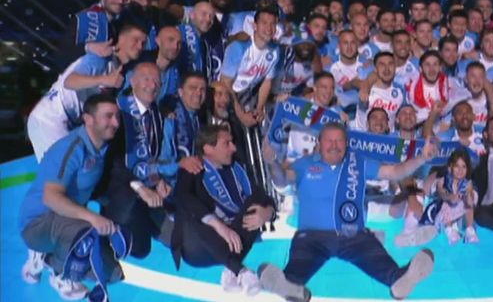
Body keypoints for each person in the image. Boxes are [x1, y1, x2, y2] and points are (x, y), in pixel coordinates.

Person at [257, 122, 437, 301]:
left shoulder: (358, 163)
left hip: (353, 235)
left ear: (347, 143)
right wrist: (272, 162)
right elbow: (282, 180)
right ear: (319, 142)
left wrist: (422, 158)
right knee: (295, 272)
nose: (334, 145)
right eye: (329, 140)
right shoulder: (305, 164)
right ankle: (291, 287)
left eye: (339, 141)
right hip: (311, 237)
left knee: (387, 269)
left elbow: (395, 172)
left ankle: (400, 282)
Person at [20, 94, 127, 301]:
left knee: (112, 274)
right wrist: (93, 218)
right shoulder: (72, 148)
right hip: (38, 221)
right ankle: (59, 273)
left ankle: (45, 256)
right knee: (84, 234)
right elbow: (51, 197)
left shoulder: (102, 148)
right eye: (108, 116)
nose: (115, 123)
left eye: (117, 117)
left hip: (66, 221)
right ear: (88, 119)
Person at [172, 125, 276, 295]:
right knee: (189, 208)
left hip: (231, 246)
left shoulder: (237, 167)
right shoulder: (194, 168)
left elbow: (262, 196)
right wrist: (218, 225)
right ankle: (240, 270)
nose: (233, 148)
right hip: (198, 248)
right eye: (227, 143)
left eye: (232, 143)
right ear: (208, 149)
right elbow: (182, 197)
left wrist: (268, 213)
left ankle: (232, 269)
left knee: (256, 205)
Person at [27, 21, 147, 161]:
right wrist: (105, 80)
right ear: (122, 39)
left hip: (70, 123)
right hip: (50, 119)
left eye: (143, 43)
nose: (140, 46)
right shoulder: (100, 59)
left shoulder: (118, 68)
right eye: (136, 40)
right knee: (63, 167)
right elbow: (69, 81)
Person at [103, 63, 176, 259]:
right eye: (146, 79)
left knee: (175, 238)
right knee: (139, 249)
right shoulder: (117, 112)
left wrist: (158, 180)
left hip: (148, 187)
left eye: (157, 81)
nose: (152, 85)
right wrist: (140, 188)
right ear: (132, 81)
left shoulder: (156, 114)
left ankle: (145, 217)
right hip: (121, 186)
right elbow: (112, 162)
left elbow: (151, 156)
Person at [420, 150, 480, 244]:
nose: (460, 170)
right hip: (443, 210)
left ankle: (470, 230)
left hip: (459, 210)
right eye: (457, 166)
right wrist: (450, 197)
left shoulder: (467, 183)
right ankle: (449, 230)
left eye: (463, 167)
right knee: (445, 205)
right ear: (450, 167)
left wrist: (469, 197)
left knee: (468, 205)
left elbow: (469, 196)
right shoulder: (443, 180)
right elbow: (442, 193)